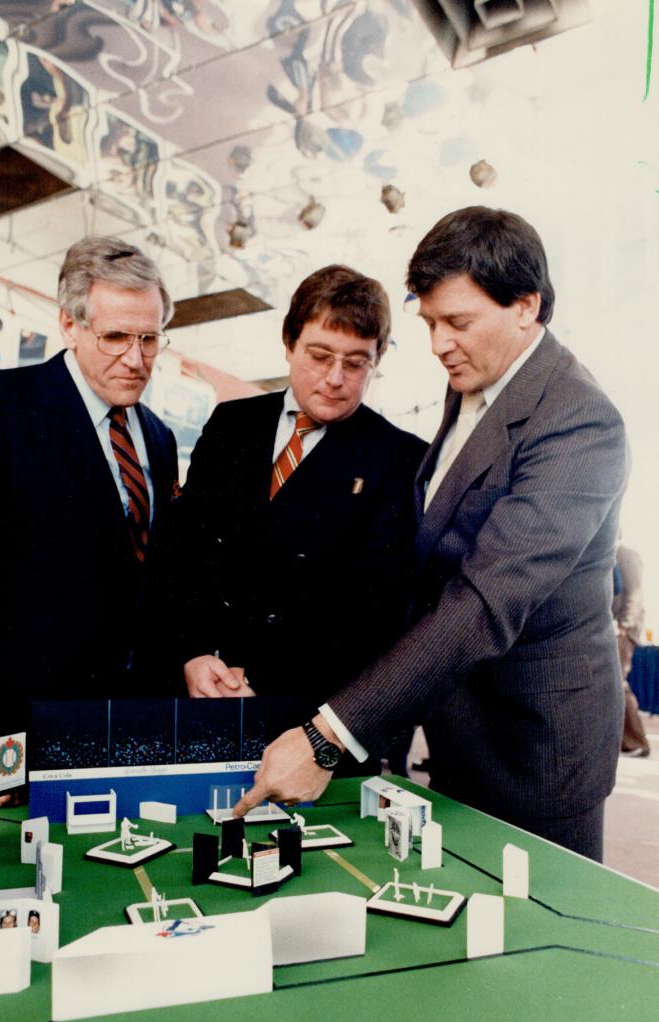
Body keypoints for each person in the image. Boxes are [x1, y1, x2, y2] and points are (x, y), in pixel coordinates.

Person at [235, 207, 628, 861]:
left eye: (457, 322)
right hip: (458, 731)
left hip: (532, 748)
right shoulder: (472, 384)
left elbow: (483, 602)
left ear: (525, 307)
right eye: (430, 323)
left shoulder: (578, 422)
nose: (439, 343)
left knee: (534, 946)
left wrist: (331, 733)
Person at [0, 236, 179, 806]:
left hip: (121, 735)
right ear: (69, 326)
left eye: (149, 339)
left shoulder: (160, 438)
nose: (136, 357)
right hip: (4, 740)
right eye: (115, 337)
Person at [175, 264, 426, 747]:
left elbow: (376, 611)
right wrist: (192, 654)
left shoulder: (400, 459)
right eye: (319, 355)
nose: (335, 378)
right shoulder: (231, 424)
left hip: (313, 718)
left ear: (376, 362)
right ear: (288, 343)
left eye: (356, 363)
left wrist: (262, 679)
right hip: (204, 693)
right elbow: (185, 553)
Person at [612, 543, 650, 757]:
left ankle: (637, 741)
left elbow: (635, 592)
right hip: (616, 627)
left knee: (619, 682)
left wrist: (625, 624)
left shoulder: (626, 554)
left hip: (622, 629)